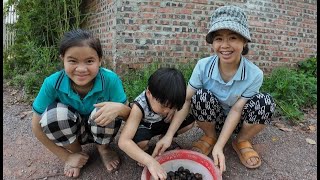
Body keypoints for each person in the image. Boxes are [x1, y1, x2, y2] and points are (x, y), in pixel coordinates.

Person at [153, 5, 276, 174]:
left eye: (232, 37)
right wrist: (168, 135)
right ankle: (210, 136)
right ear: (212, 42)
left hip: (238, 121)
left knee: (265, 102)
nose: (225, 45)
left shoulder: (254, 74)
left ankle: (241, 141)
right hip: (212, 120)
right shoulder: (203, 66)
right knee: (200, 96)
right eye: (218, 39)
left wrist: (220, 147)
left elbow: (237, 109)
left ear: (244, 41)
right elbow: (187, 99)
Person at [31, 29, 131, 178]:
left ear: (100, 60)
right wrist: (66, 156)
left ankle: (103, 149)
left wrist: (120, 108)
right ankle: (76, 153)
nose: (81, 69)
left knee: (107, 109)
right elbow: (36, 126)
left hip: (100, 130)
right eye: (72, 61)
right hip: (73, 133)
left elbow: (130, 115)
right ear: (62, 59)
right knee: (53, 116)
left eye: (90, 61)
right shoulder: (52, 83)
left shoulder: (110, 79)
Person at [118, 67, 195, 180]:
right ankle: (143, 153)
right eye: (164, 106)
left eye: (172, 107)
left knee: (190, 123)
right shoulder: (139, 106)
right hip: (146, 127)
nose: (167, 111)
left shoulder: (169, 103)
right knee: (140, 143)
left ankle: (164, 138)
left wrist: (169, 132)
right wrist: (149, 161)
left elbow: (183, 107)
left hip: (163, 123)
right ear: (149, 93)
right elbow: (123, 141)